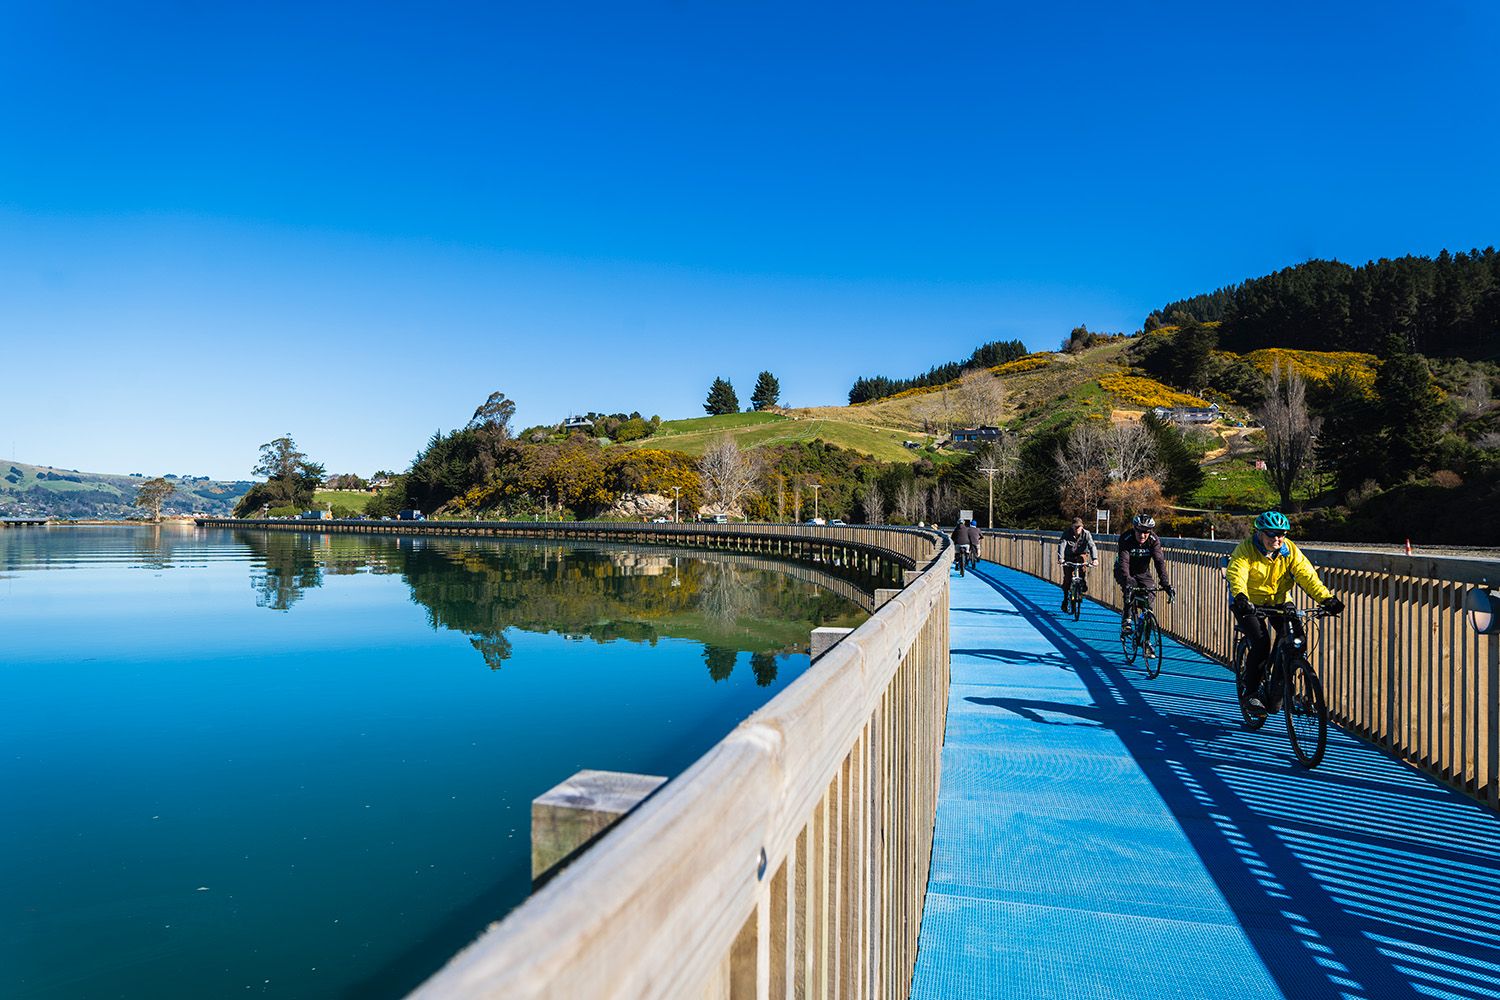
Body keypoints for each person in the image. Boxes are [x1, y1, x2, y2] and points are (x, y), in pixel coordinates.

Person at [1226, 510, 1343, 716]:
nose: (1277, 538)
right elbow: (1237, 574)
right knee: (1261, 643)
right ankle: (1251, 692)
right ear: (1260, 533)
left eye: (1282, 534)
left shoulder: (1289, 550)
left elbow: (1307, 575)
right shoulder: (1246, 550)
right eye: (1272, 534)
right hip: (1248, 602)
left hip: (1279, 600)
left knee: (1297, 640)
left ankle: (1278, 688)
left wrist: (1326, 599)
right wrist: (1242, 597)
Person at [1114, 514, 1174, 635]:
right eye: (1139, 531)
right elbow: (1124, 562)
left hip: (1142, 572)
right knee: (1129, 591)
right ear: (1134, 529)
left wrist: (1165, 583)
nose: (1142, 535)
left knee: (1149, 597)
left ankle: (1146, 641)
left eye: (1146, 532)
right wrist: (1127, 581)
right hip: (1124, 570)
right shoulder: (1126, 538)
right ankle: (1127, 620)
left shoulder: (1153, 540)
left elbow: (1159, 562)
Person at [1057, 517, 1097, 611]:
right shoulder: (1067, 533)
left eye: (1079, 527)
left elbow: (1092, 545)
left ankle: (1082, 582)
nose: (1077, 529)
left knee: (1082, 566)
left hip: (1081, 555)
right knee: (1067, 578)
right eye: (1076, 527)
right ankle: (1066, 599)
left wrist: (1095, 559)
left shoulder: (1086, 534)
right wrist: (1061, 559)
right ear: (1072, 526)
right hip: (1069, 556)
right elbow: (1062, 545)